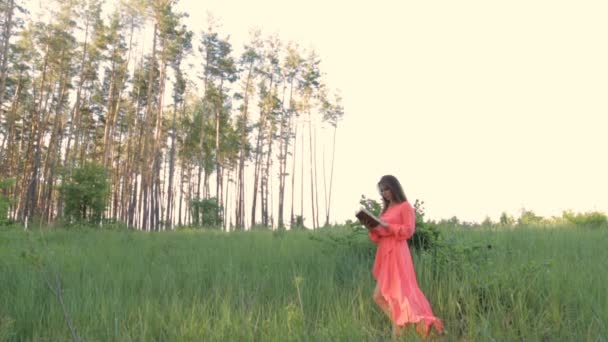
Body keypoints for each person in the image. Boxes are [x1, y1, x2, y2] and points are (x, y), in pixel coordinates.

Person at [361, 175, 443, 339]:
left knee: (397, 294)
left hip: (398, 253)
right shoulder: (385, 210)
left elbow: (409, 230)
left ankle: (415, 324)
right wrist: (372, 228)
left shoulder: (405, 207)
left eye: (387, 189)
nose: (385, 193)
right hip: (385, 254)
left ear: (394, 188)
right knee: (382, 297)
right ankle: (401, 325)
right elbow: (378, 237)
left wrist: (387, 225)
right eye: (382, 191)